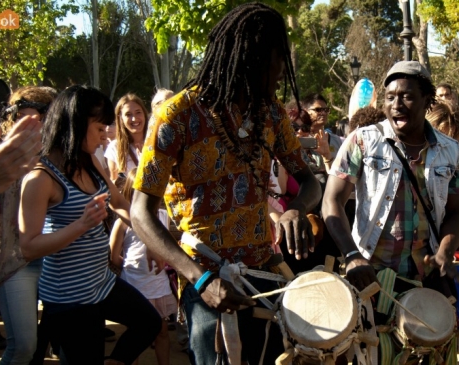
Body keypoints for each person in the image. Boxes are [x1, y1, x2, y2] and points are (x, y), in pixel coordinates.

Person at [129, 4, 321, 363]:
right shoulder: (176, 116)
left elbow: (309, 182)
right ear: (251, 58)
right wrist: (200, 281)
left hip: (263, 274)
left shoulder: (272, 114)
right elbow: (141, 213)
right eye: (278, 58)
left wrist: (297, 209)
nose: (283, 70)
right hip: (205, 281)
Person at [322, 61, 459, 340]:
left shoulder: (451, 151)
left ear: (427, 101)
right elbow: (331, 202)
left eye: (407, 96)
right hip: (372, 278)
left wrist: (445, 252)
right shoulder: (362, 141)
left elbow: (456, 212)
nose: (396, 104)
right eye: (390, 97)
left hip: (427, 278)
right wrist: (352, 256)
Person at [18, 85, 161, 364]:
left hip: (102, 283)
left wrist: (152, 242)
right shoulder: (40, 178)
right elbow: (28, 247)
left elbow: (120, 204)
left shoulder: (90, 161)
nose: (105, 135)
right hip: (70, 300)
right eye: (99, 128)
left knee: (150, 323)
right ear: (75, 124)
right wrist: (81, 225)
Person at [0, 86, 50, 365]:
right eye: (22, 117)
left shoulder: (58, 156)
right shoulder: (0, 155)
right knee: (23, 345)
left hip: (54, 260)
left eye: (37, 119)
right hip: (14, 260)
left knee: (41, 348)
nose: (30, 126)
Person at [110, 174, 176, 365]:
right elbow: (114, 257)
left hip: (159, 283)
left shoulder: (164, 216)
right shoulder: (122, 221)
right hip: (135, 284)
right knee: (137, 332)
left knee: (162, 329)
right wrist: (132, 266)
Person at [106, 94, 149, 181]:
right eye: (128, 114)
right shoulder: (114, 148)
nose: (134, 119)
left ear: (144, 114)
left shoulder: (158, 142)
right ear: (120, 118)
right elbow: (114, 183)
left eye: (138, 112)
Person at [302, 93, 342, 170]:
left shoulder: (338, 141)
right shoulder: (300, 140)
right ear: (305, 112)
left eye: (326, 110)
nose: (323, 113)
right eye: (318, 110)